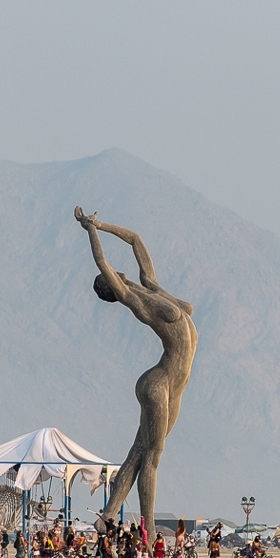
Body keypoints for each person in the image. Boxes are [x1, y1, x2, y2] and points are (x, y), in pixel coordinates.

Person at [77, 207, 198, 534]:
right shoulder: (135, 298)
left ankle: (107, 517)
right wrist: (90, 230)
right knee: (153, 457)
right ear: (114, 288)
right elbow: (102, 264)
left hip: (175, 387)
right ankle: (146, 532)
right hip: (158, 383)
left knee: (139, 452)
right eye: (113, 279)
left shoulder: (150, 285)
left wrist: (102, 224)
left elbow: (136, 240)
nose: (118, 274)